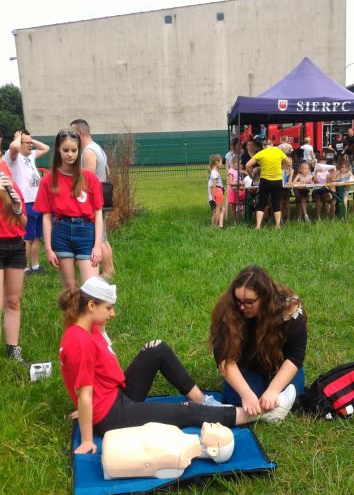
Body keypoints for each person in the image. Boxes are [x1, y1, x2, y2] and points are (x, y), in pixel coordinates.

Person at [59, 277, 291, 454]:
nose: (113, 314)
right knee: (185, 411)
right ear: (91, 305)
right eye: (109, 308)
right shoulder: (80, 341)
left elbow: (83, 383)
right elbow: (84, 393)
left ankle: (202, 400)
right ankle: (261, 414)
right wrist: (87, 439)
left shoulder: (87, 327)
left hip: (114, 397)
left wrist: (87, 407)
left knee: (156, 350)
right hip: (112, 417)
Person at [210, 266, 306, 415]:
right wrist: (246, 394)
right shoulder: (228, 309)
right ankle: (268, 409)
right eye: (238, 300)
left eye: (249, 302)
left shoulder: (290, 310)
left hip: (279, 366)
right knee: (237, 398)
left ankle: (271, 403)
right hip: (247, 366)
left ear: (265, 298)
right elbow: (223, 356)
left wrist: (273, 390)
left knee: (294, 392)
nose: (242, 307)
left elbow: (295, 356)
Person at [34, 130, 103, 289]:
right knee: (70, 287)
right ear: (58, 150)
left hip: (86, 232)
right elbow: (46, 216)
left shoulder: (90, 178)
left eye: (74, 150)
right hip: (61, 233)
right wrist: (48, 248)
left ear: (79, 150)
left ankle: (89, 307)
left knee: (92, 288)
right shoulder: (48, 180)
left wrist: (97, 245)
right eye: (65, 150)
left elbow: (98, 213)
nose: (70, 154)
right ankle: (72, 307)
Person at [70, 119, 114, 278]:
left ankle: (107, 271)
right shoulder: (96, 147)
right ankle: (109, 269)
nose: (71, 138)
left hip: (95, 200)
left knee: (99, 238)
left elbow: (88, 179)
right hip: (100, 198)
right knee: (103, 237)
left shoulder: (88, 151)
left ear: (80, 133)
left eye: (73, 134)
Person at [4, 129, 50, 277]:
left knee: (36, 237)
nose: (31, 146)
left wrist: (30, 140)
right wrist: (18, 138)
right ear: (19, 142)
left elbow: (46, 148)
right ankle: (24, 267)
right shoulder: (13, 157)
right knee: (27, 238)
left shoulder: (30, 155)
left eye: (31, 143)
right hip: (26, 202)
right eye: (27, 143)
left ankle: (35, 265)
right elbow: (14, 147)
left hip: (37, 201)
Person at [0, 153, 28, 363]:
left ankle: (12, 350)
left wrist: (18, 210)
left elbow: (25, 223)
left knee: (13, 301)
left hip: (16, 245)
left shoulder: (10, 182)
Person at [245, 144, 291, 229]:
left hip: (265, 181)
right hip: (277, 180)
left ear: (263, 146)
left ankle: (258, 226)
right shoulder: (278, 152)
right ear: (272, 145)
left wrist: (251, 175)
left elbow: (247, 165)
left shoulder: (261, 153)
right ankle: (277, 225)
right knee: (276, 203)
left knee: (261, 203)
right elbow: (288, 163)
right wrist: (280, 165)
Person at [207, 154, 224, 227]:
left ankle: (213, 226)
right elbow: (214, 185)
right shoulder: (214, 173)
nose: (222, 164)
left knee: (216, 211)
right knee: (218, 210)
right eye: (221, 162)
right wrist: (213, 196)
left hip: (216, 192)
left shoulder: (213, 172)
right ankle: (216, 225)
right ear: (216, 162)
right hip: (217, 192)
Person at [227, 154, 245, 222]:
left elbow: (241, 172)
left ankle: (242, 218)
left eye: (239, 164)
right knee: (234, 207)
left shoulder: (237, 170)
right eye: (237, 165)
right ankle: (234, 220)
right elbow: (230, 182)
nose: (238, 166)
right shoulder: (231, 171)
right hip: (233, 191)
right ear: (232, 164)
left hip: (238, 190)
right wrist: (239, 183)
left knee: (242, 204)